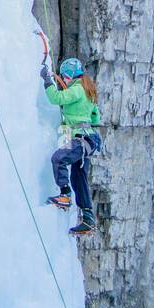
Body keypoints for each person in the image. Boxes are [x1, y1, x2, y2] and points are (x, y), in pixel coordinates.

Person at [41, 55, 102, 236]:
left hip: (80, 139)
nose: (64, 80)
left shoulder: (77, 89)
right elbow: (95, 117)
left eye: (64, 77)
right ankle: (88, 219)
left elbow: (56, 98)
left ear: (69, 75)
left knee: (58, 159)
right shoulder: (88, 91)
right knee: (78, 178)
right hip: (88, 139)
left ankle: (65, 195)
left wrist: (47, 81)